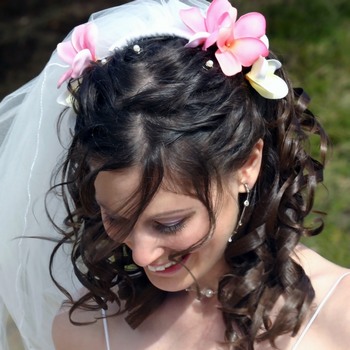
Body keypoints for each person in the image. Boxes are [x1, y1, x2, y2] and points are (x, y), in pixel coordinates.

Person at [0, 0, 349, 349]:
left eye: (169, 224)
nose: (141, 255)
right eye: (115, 217)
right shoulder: (88, 332)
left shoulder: (339, 318)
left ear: (247, 164)